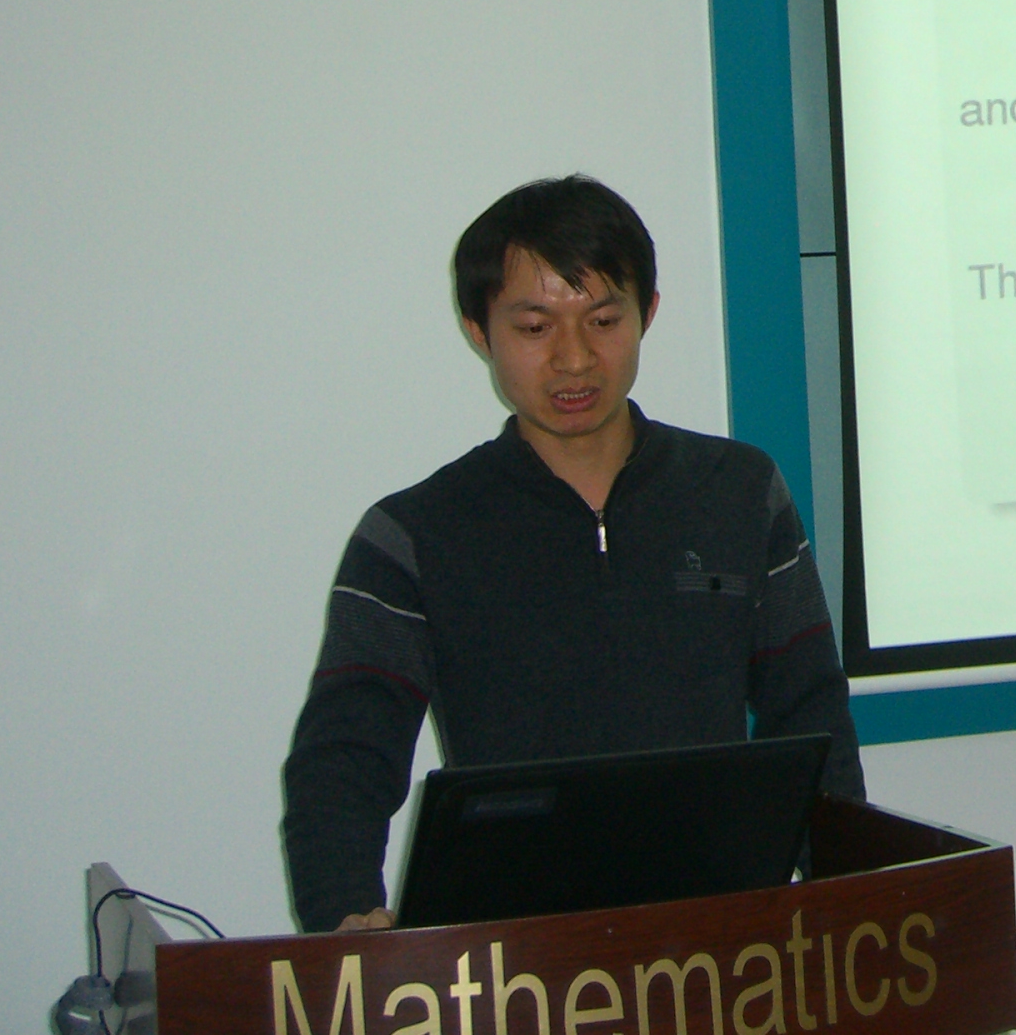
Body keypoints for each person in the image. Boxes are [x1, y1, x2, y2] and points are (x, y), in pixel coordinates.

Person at [280, 176, 862, 933]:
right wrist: (345, 926)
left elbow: (811, 714)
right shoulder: (412, 535)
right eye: (534, 327)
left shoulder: (740, 491)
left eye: (604, 320)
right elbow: (343, 762)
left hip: (719, 945)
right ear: (478, 331)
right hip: (509, 955)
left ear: (648, 313)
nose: (575, 358)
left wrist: (851, 905)